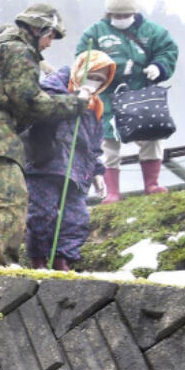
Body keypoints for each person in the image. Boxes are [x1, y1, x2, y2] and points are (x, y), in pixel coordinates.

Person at [0, 4, 94, 266]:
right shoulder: (19, 51)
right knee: (10, 200)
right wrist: (76, 104)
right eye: (50, 35)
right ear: (38, 28)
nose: (49, 43)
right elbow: (31, 103)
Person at [76, 0, 180, 201]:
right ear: (109, 14)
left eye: (125, 15)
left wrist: (158, 67)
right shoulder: (95, 32)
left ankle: (151, 184)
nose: (121, 18)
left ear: (134, 13)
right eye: (116, 15)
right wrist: (96, 77)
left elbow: (168, 50)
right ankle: (112, 191)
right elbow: (82, 58)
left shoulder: (153, 32)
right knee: (108, 142)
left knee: (152, 136)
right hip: (107, 96)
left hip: (143, 94)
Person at [22, 54, 111, 271]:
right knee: (42, 214)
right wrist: (75, 100)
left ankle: (63, 260)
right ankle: (38, 261)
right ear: (79, 70)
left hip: (78, 171)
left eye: (100, 79)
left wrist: (98, 173)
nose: (94, 82)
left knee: (77, 218)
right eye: (91, 75)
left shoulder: (96, 106)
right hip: (46, 163)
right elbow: (42, 111)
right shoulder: (53, 87)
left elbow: (94, 145)